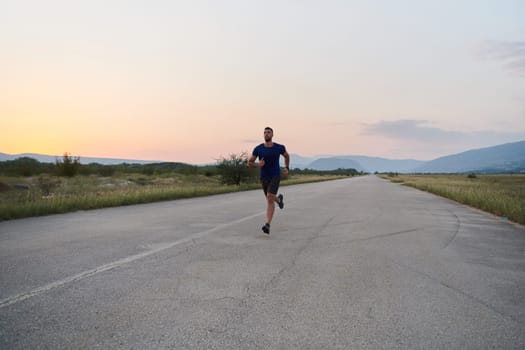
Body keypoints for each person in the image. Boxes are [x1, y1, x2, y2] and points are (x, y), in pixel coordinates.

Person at [248, 127, 290, 234]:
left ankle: (267, 224)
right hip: (264, 177)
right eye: (265, 132)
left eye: (268, 132)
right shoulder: (258, 148)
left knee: (269, 196)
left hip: (275, 175)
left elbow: (286, 156)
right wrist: (258, 164)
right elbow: (250, 162)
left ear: (272, 135)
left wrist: (286, 167)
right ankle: (279, 200)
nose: (266, 134)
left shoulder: (279, 147)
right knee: (270, 200)